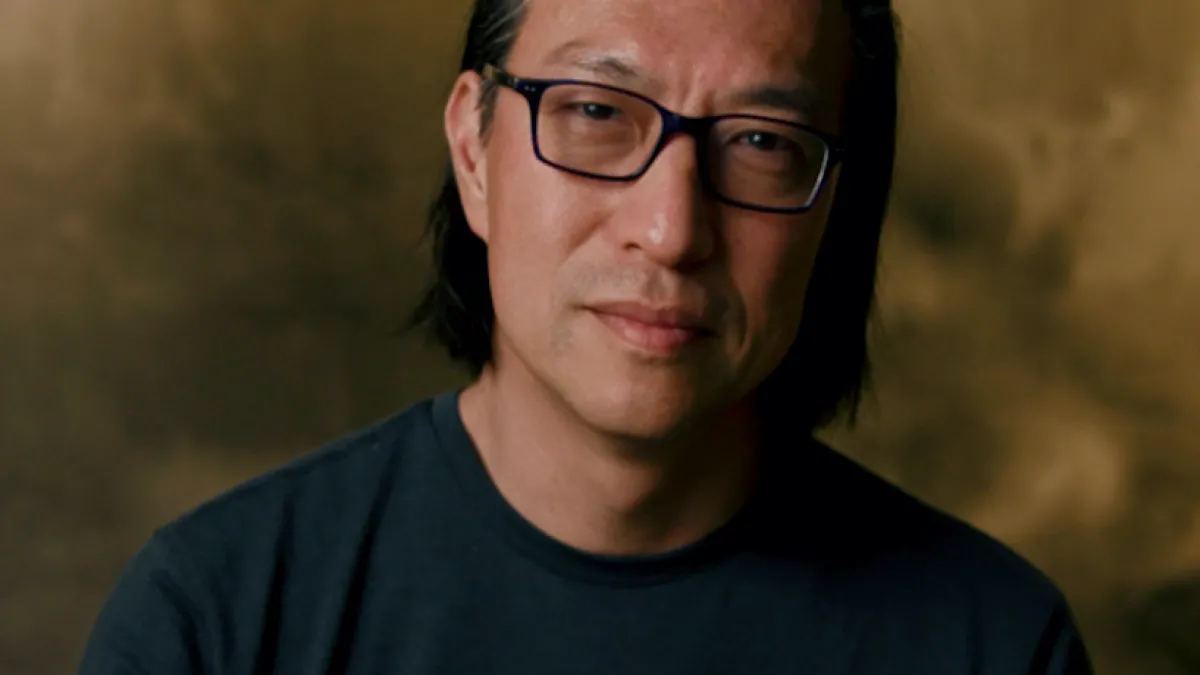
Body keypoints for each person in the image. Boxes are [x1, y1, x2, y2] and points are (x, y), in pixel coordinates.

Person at [79, 0, 1095, 672]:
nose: (672, 229)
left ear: (836, 206)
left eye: (760, 143)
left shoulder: (995, 645)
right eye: (597, 112)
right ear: (474, 153)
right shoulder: (216, 620)